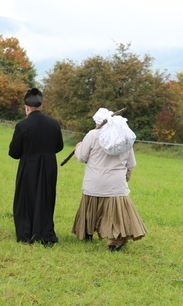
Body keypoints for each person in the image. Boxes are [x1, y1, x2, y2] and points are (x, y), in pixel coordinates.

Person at [71, 107, 147, 251]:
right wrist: (127, 176)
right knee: (117, 214)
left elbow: (81, 157)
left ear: (99, 122)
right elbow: (130, 163)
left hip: (94, 182)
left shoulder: (92, 135)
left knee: (90, 207)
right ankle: (115, 241)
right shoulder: (124, 137)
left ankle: (87, 233)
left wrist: (78, 147)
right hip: (116, 185)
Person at [8, 88, 64, 246]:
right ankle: (45, 233)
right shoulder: (53, 123)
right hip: (49, 167)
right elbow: (59, 146)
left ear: (26, 107)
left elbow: (14, 152)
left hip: (29, 166)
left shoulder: (22, 126)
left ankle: (26, 234)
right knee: (46, 198)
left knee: (26, 198)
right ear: (41, 105)